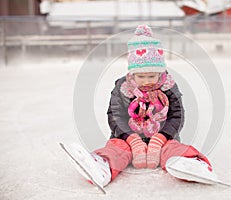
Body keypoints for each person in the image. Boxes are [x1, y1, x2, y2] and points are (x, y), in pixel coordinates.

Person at [63, 25, 219, 190]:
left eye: (151, 76)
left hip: (163, 139)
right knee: (117, 149)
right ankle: (103, 165)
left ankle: (188, 162)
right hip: (127, 139)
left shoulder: (169, 87)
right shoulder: (122, 88)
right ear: (132, 73)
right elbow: (115, 115)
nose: (146, 81)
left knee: (171, 148)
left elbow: (177, 115)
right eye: (141, 76)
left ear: (160, 72)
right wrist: (131, 138)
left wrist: (161, 137)